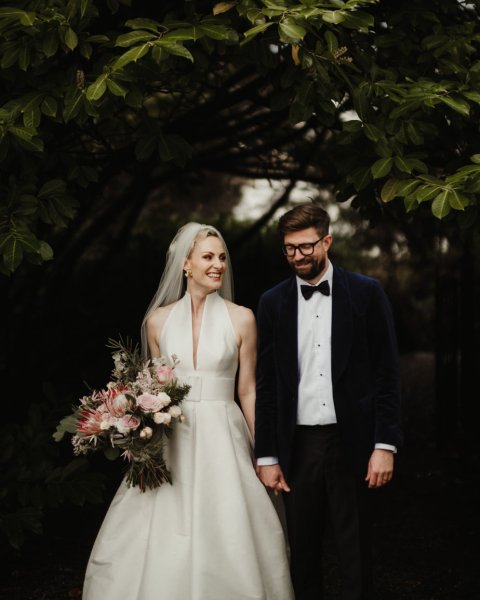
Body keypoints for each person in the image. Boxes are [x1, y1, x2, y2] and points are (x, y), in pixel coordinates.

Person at [83, 223, 294, 600]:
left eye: (222, 258)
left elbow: (247, 390)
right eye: (208, 257)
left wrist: (265, 454)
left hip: (224, 436)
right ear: (186, 265)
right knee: (162, 523)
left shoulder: (242, 318)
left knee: (228, 521)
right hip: (173, 437)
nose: (218, 265)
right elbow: (149, 387)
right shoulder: (157, 322)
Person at [255, 204, 403, 600]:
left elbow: (387, 375)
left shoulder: (367, 293)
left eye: (305, 247)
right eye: (289, 249)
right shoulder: (271, 302)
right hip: (297, 444)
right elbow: (265, 384)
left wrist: (384, 445)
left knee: (354, 549)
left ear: (327, 241)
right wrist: (267, 455)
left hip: (351, 440)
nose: (298, 256)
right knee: (301, 551)